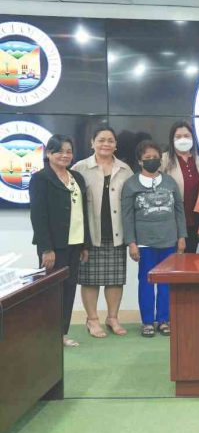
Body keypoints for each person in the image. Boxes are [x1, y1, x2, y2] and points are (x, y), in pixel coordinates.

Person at [72, 126, 133, 338]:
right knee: (90, 279)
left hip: (117, 232)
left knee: (115, 278)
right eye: (101, 140)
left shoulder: (125, 169)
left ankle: (113, 318)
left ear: (116, 145)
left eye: (110, 140)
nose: (106, 144)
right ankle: (92, 320)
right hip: (90, 234)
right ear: (92, 143)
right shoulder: (80, 168)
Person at [29, 134, 90, 347]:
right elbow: (38, 215)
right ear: (48, 154)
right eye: (59, 151)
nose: (65, 155)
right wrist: (46, 248)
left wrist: (84, 244)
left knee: (69, 289)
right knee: (51, 291)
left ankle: (62, 333)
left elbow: (83, 212)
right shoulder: (40, 179)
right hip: (54, 247)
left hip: (75, 243)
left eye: (69, 151)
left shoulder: (77, 178)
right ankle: (46, 335)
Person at [122, 140, 186, 338]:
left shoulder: (169, 182)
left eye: (155, 157)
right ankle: (148, 322)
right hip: (144, 243)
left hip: (169, 241)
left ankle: (164, 320)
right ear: (140, 161)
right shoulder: (131, 184)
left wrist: (181, 236)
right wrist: (131, 243)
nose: (152, 161)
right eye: (147, 158)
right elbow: (126, 216)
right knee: (146, 282)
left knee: (166, 283)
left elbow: (179, 211)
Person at [161, 120, 199, 253]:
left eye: (187, 136)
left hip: (195, 221)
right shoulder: (164, 160)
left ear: (193, 138)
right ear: (172, 139)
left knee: (189, 261)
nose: (183, 139)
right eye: (178, 136)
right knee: (172, 262)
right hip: (172, 221)